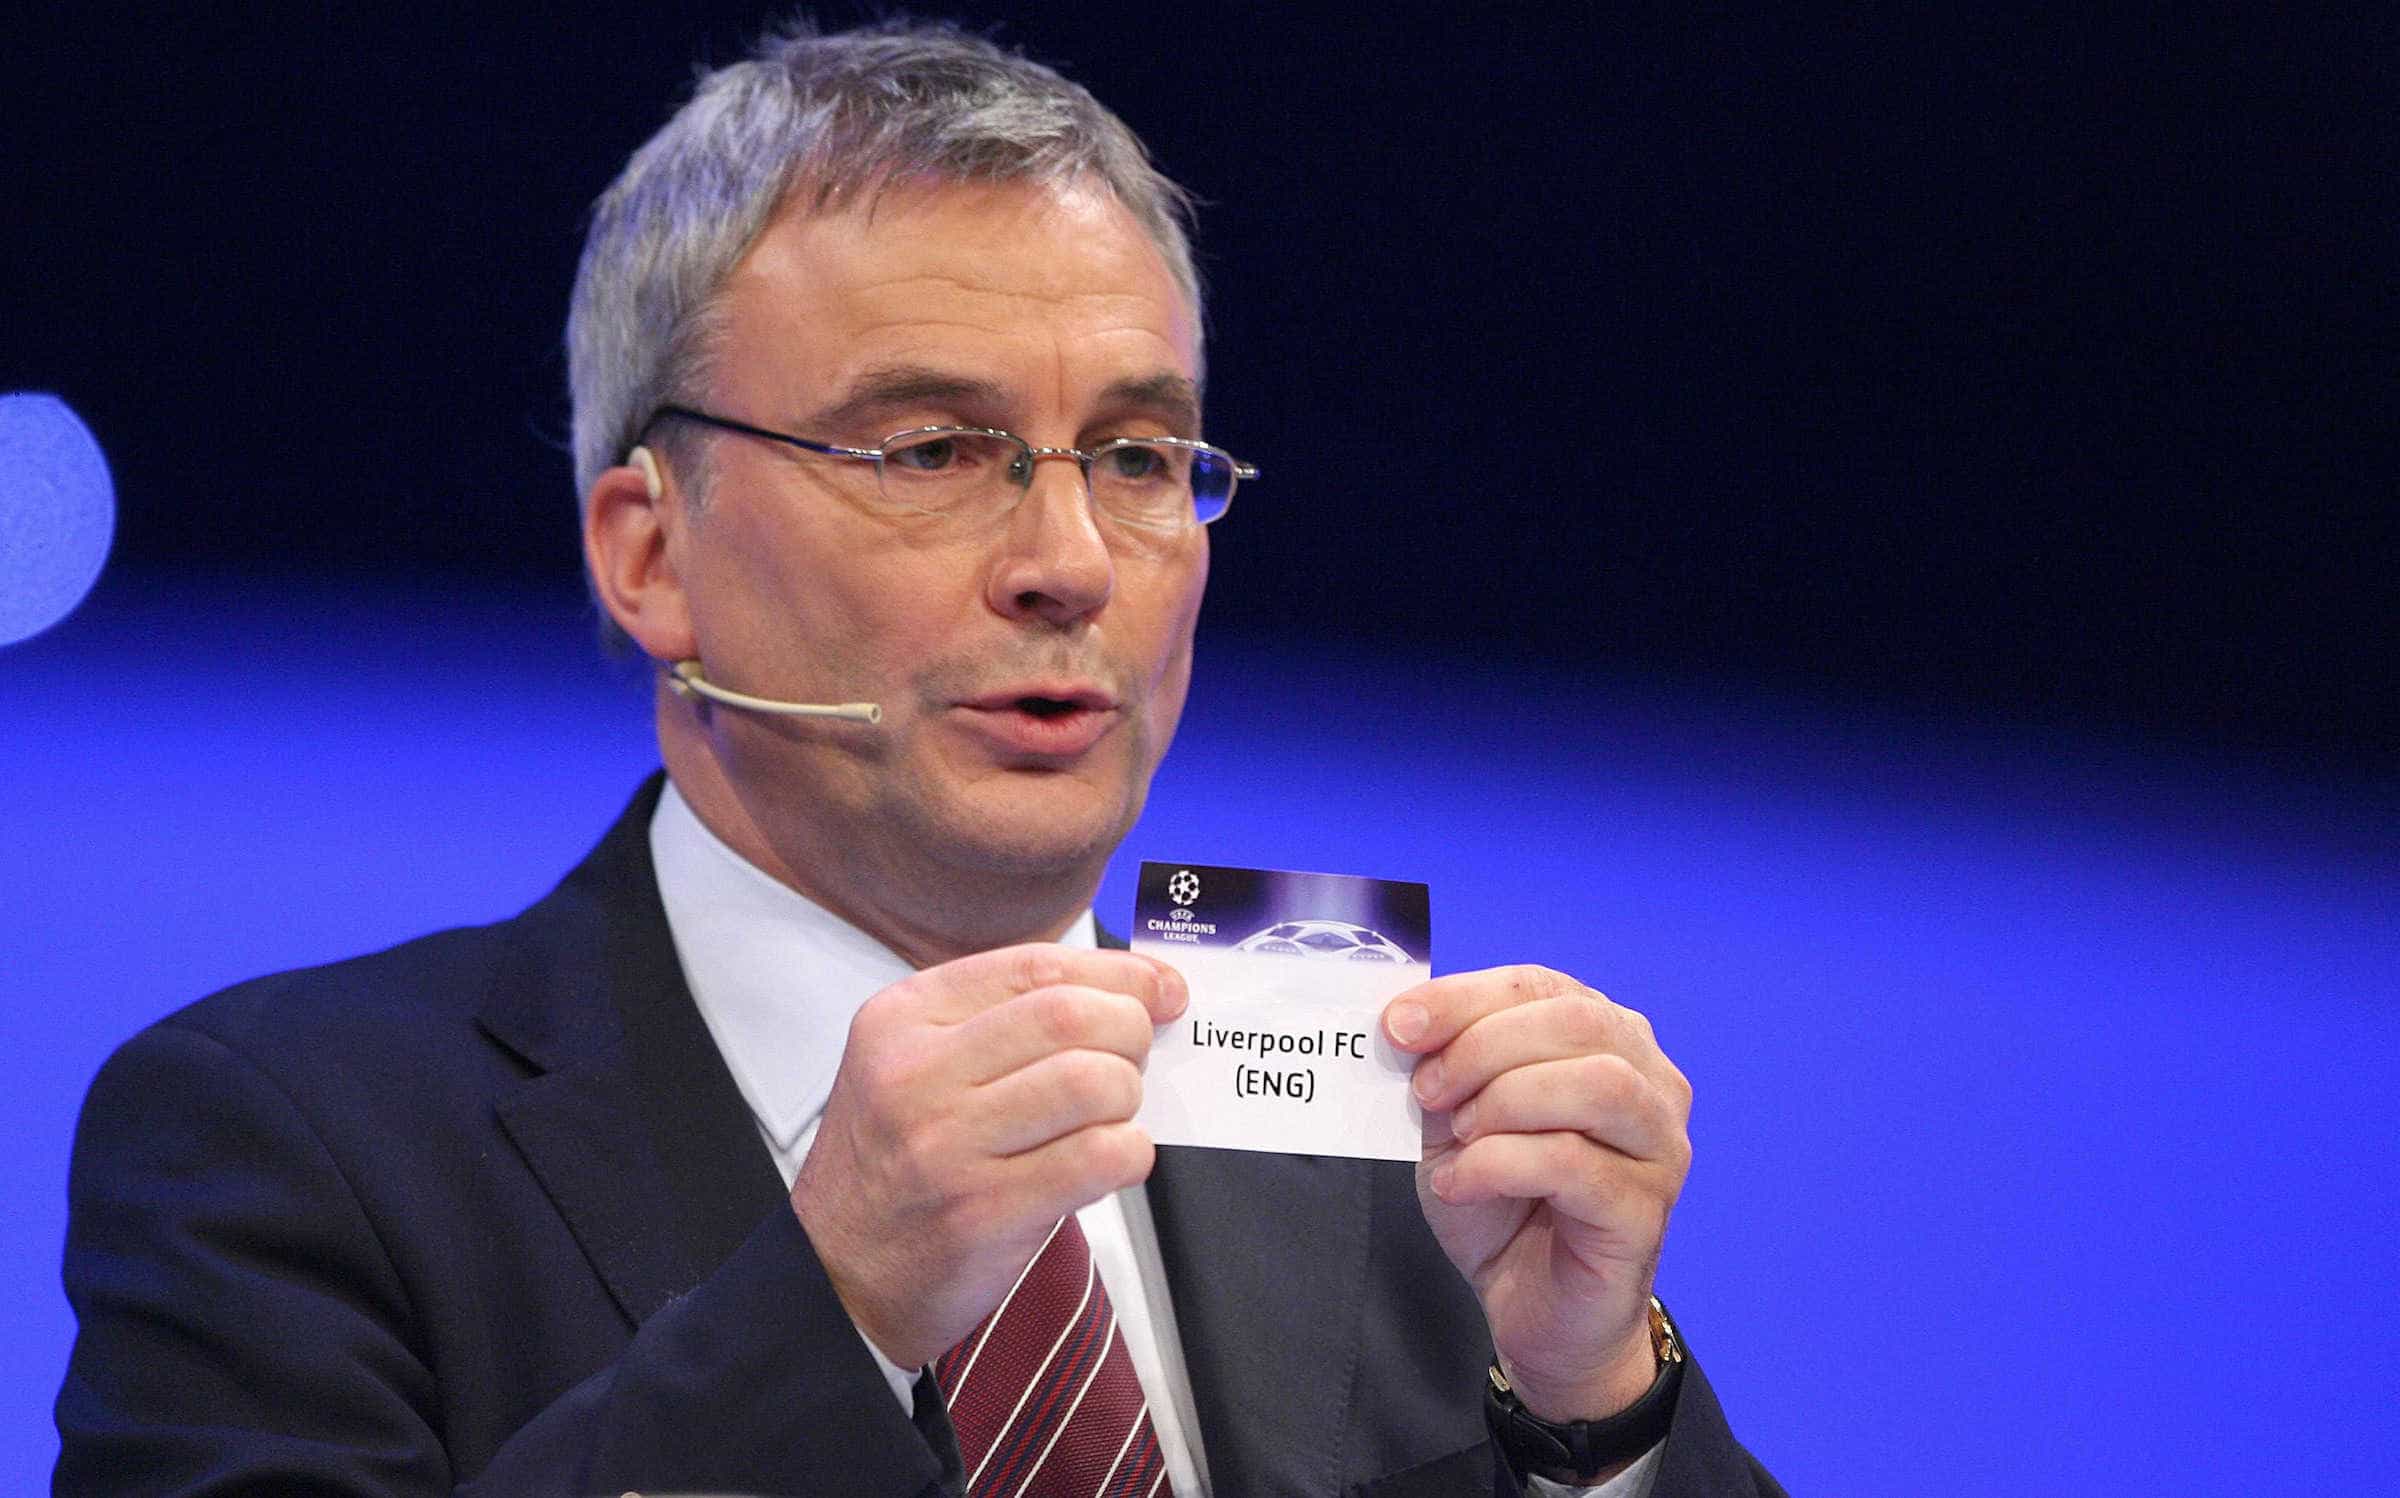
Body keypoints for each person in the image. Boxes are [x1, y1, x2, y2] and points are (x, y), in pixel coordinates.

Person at [55, 19, 1782, 1498]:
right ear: (652, 555)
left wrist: (1592, 1412)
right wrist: (836, 1305)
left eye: (1134, 451)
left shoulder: (1383, 1151)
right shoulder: (288, 1147)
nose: (1073, 561)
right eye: (935, 448)